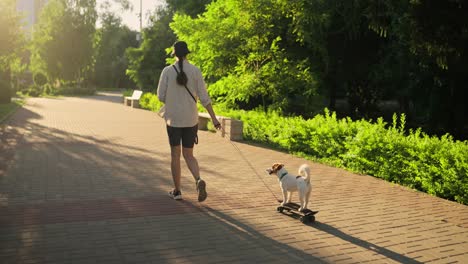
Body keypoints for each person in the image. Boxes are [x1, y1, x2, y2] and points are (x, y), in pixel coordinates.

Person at [157, 41, 221, 202]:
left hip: (173, 120)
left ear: (174, 54)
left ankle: (177, 191)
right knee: (189, 155)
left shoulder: (167, 71)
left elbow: (160, 96)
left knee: (175, 155)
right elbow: (205, 98)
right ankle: (198, 180)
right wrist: (214, 119)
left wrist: (173, 99)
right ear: (187, 54)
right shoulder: (195, 71)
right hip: (191, 119)